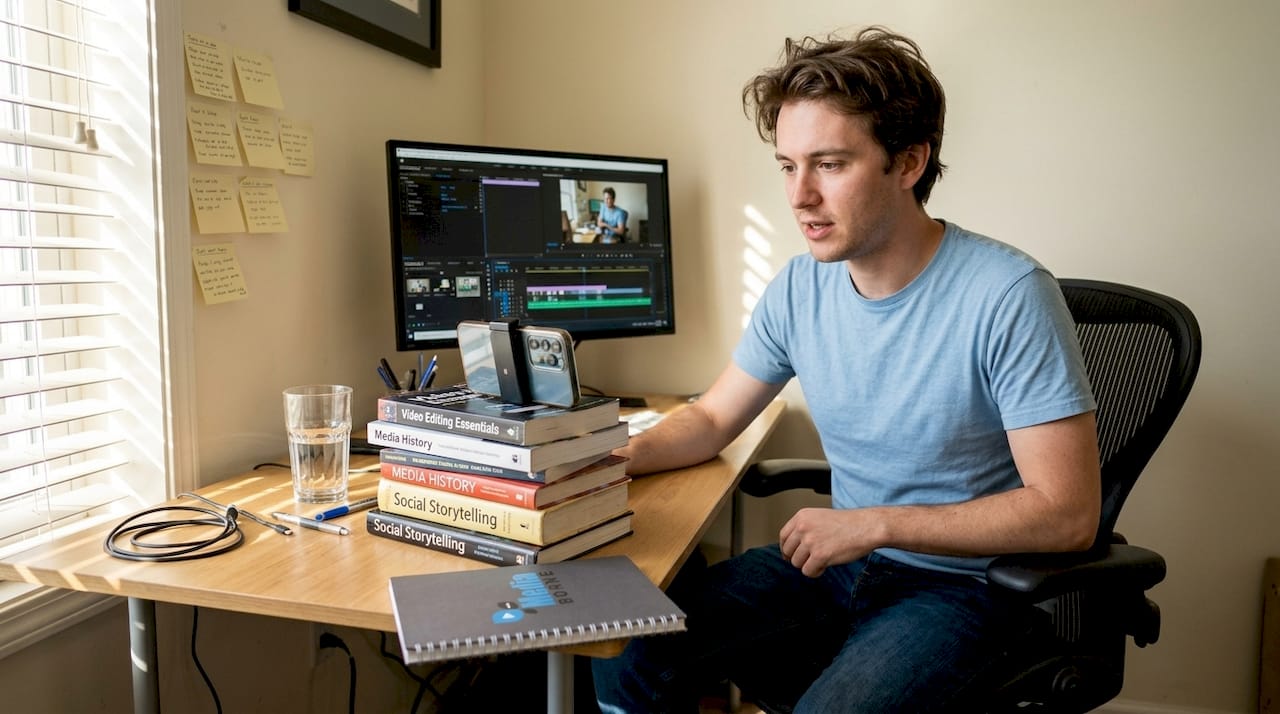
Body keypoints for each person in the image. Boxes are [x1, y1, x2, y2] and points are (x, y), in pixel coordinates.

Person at [592, 26, 1101, 713]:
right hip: (836, 569)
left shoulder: (1007, 296)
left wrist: (876, 523)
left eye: (829, 164)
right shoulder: (800, 289)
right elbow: (712, 419)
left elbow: (1067, 514)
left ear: (909, 161)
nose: (799, 196)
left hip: (963, 591)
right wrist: (603, 461)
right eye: (787, 165)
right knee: (623, 643)